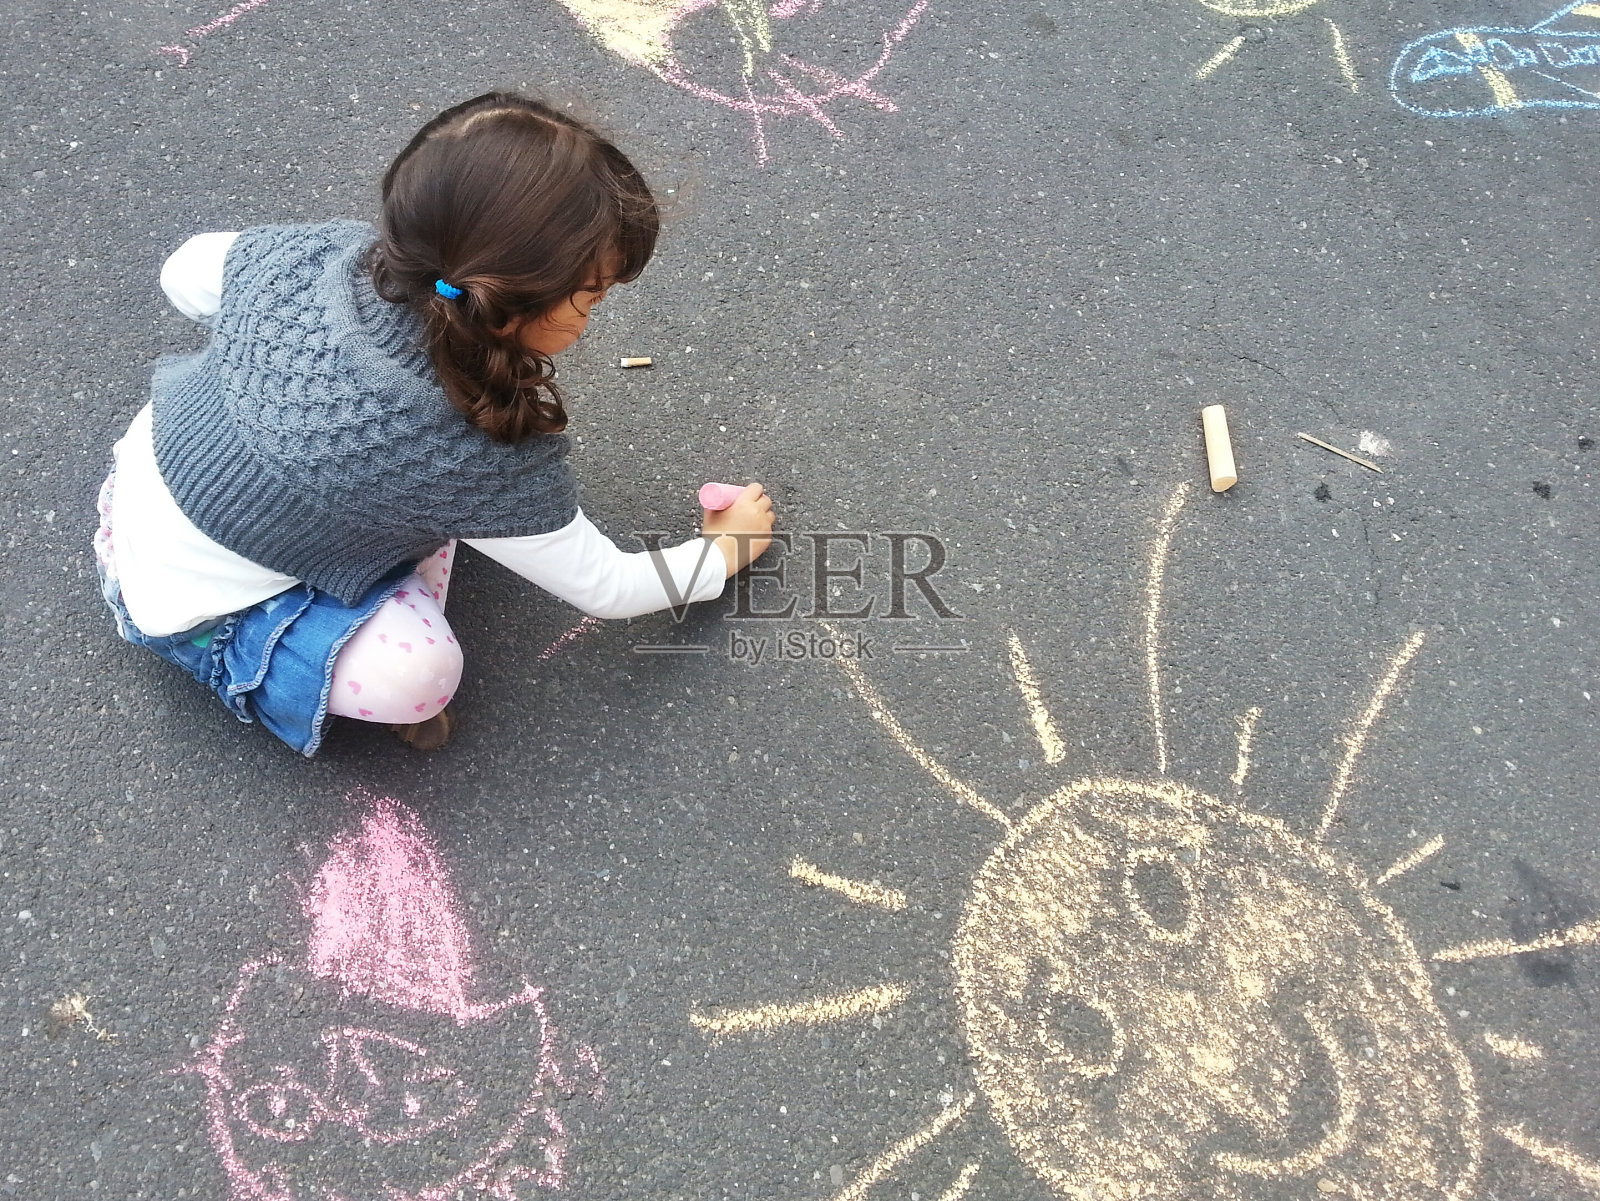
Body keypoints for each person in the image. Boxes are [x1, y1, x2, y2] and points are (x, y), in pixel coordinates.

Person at [92, 91, 775, 755]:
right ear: (506, 309)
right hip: (193, 611)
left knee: (417, 519)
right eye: (591, 296)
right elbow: (609, 587)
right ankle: (261, 666)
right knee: (423, 672)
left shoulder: (314, 258)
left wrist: (266, 360)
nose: (595, 313)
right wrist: (722, 552)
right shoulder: (474, 457)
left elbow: (183, 271)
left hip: (139, 489)